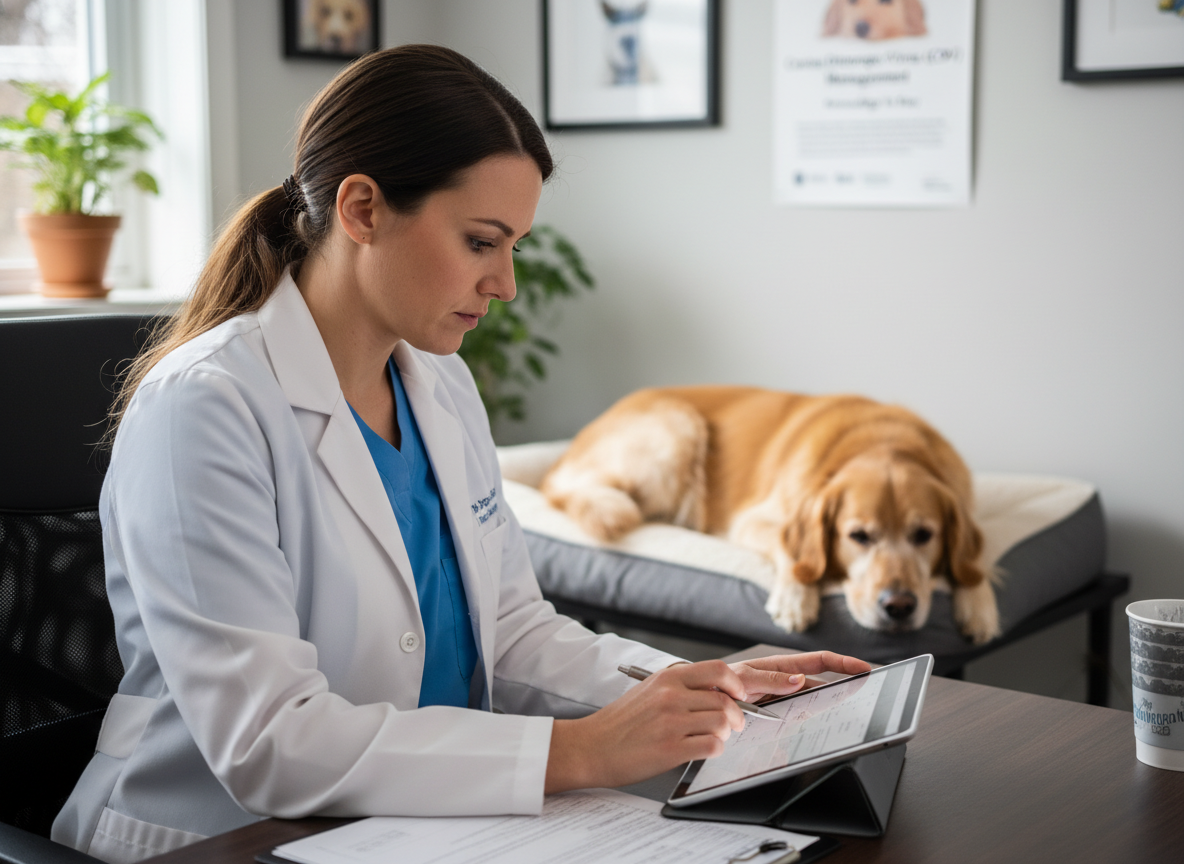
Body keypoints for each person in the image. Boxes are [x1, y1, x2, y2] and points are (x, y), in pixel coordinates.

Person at [51, 45, 870, 863]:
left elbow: (512, 633)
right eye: (482, 241)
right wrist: (581, 752)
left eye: (512, 244)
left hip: (415, 824)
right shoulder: (205, 406)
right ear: (363, 209)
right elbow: (269, 741)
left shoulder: (438, 383)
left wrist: (698, 693)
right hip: (219, 837)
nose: (506, 283)